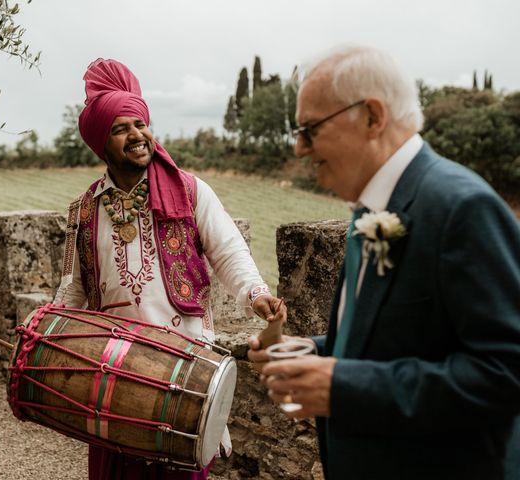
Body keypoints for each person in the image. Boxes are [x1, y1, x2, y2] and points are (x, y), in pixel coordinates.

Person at [248, 45, 520, 480]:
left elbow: (505, 371)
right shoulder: (372, 208)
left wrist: (345, 388)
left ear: (373, 116)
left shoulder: (460, 207)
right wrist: (318, 350)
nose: (299, 149)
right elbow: (400, 335)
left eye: (310, 129)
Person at [53, 58, 286, 480]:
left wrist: (256, 294)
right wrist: (49, 336)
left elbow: (229, 249)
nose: (137, 135)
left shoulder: (191, 191)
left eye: (140, 124)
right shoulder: (85, 209)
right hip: (114, 371)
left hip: (184, 365)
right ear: (101, 143)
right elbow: (73, 290)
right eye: (121, 129)